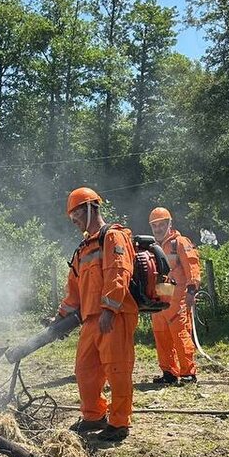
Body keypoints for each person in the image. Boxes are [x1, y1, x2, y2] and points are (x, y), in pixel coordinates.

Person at [54, 187, 137, 442]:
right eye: (71, 217)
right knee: (84, 370)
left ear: (91, 207)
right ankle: (93, 416)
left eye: (76, 213)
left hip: (114, 316)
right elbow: (74, 291)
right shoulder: (82, 249)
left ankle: (119, 422)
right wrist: (60, 319)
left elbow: (118, 273)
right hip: (91, 320)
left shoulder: (112, 237)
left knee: (117, 370)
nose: (74, 220)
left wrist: (109, 309)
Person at [147, 206, 201, 385]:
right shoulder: (152, 246)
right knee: (161, 334)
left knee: (179, 333)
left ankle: (188, 373)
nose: (158, 228)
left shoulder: (179, 242)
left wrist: (192, 291)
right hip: (161, 294)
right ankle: (169, 372)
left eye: (161, 224)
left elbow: (192, 266)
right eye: (155, 225)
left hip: (178, 294)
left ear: (169, 224)